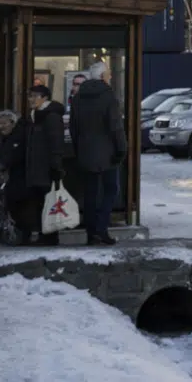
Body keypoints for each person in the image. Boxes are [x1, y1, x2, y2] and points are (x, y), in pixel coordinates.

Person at [69, 62, 126, 246]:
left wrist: (79, 148)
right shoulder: (108, 96)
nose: (110, 77)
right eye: (108, 74)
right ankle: (101, 228)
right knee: (111, 189)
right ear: (102, 77)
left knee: (90, 193)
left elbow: (73, 128)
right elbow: (116, 127)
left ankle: (91, 232)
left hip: (86, 152)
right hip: (108, 153)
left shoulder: (78, 98)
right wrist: (121, 149)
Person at [25, 84, 67, 245]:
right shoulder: (35, 115)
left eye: (35, 96)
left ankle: (50, 235)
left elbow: (56, 143)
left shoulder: (51, 116)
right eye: (30, 96)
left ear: (45, 98)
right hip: (36, 167)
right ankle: (43, 233)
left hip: (46, 167)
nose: (31, 99)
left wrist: (56, 166)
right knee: (39, 201)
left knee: (48, 201)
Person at [0, 109, 36, 243]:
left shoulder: (18, 137)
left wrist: (2, 165)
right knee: (10, 205)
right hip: (11, 177)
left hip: (21, 177)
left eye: (4, 123)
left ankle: (23, 234)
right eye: (0, 124)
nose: (1, 127)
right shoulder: (6, 138)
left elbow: (15, 156)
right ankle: (15, 231)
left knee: (19, 206)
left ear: (12, 123)